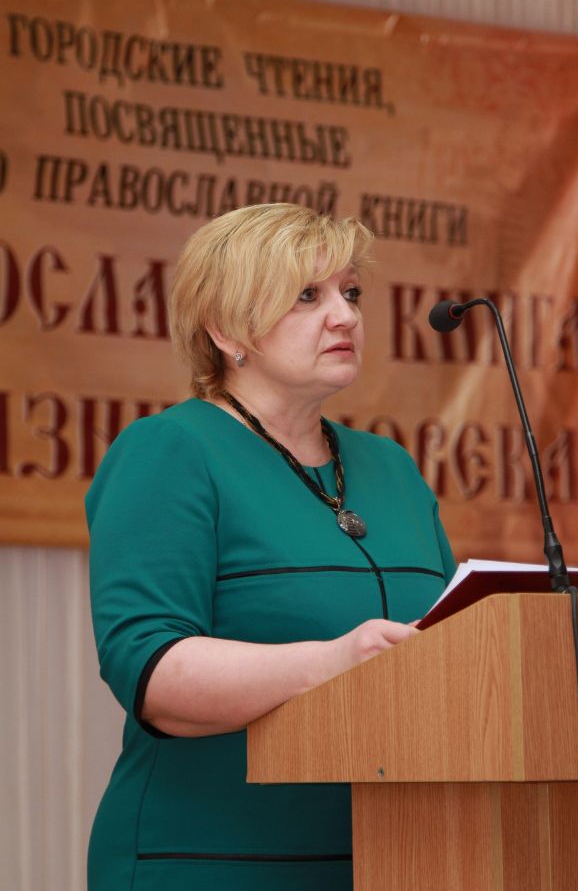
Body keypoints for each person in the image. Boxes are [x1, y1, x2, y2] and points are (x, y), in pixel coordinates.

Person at [87, 203, 456, 891]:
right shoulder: (170, 451)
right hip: (210, 862)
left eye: (350, 292)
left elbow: (451, 638)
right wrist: (333, 661)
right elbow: (152, 672)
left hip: (400, 859)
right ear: (227, 330)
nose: (344, 316)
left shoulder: (391, 467)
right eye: (307, 296)